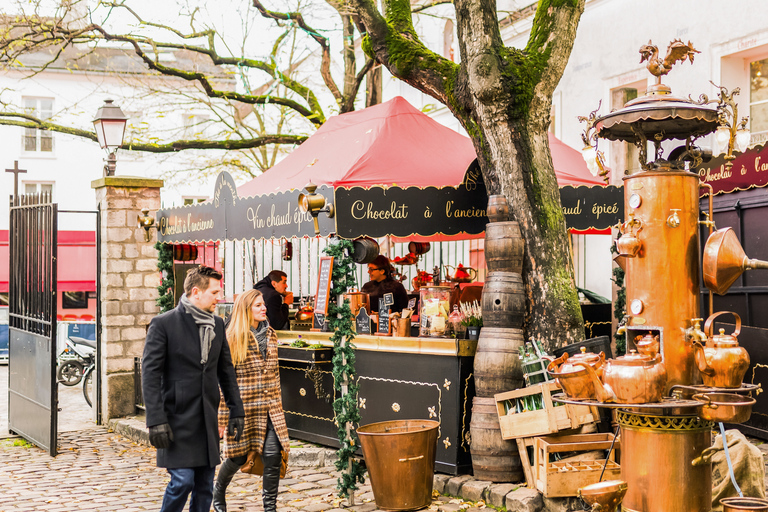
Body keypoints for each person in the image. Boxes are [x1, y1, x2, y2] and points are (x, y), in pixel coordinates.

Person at [142, 265, 245, 512]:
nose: (219, 297)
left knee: (204, 487)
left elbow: (226, 371)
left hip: (206, 419)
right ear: (196, 292)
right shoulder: (163, 324)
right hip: (175, 419)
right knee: (182, 481)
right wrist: (155, 419)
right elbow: (150, 374)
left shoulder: (218, 325)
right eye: (215, 292)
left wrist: (236, 410)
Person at [213, 289, 290, 512]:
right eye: (258, 305)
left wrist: (277, 405)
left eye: (263, 304)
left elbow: (275, 374)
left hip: (270, 408)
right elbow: (224, 382)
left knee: (273, 456)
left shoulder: (271, 335)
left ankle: (269, 508)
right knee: (236, 458)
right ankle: (218, 491)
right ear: (245, 309)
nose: (263, 308)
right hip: (243, 408)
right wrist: (222, 418)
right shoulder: (232, 338)